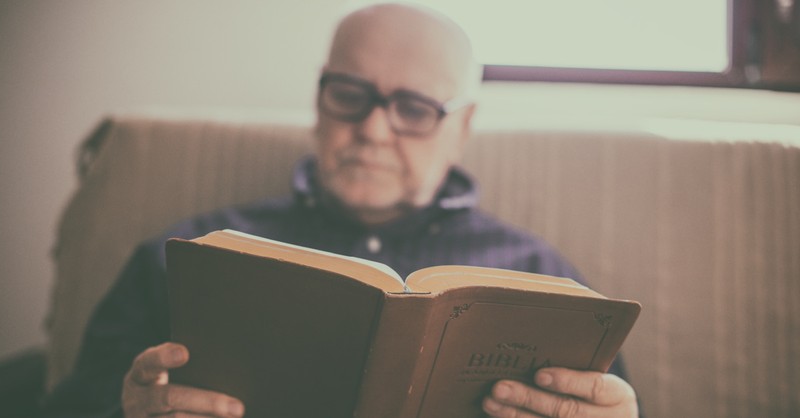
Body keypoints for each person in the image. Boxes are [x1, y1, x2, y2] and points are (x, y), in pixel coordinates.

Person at [41, 3, 639, 417]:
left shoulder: (542, 276)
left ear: (463, 127)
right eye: (350, 95)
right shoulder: (194, 252)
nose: (375, 130)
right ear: (320, 98)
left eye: (414, 108)